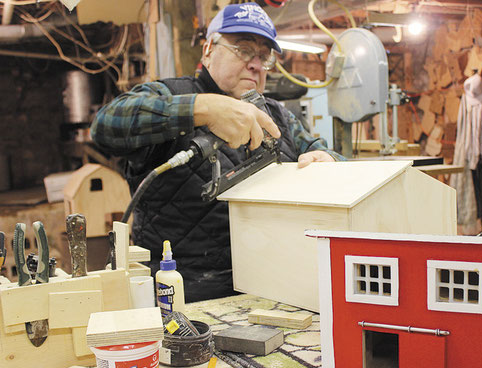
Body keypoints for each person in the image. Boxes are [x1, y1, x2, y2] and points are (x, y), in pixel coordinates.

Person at [90, 2, 342, 302]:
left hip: (273, 290)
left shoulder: (279, 117)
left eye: (264, 56)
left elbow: (327, 156)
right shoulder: (171, 96)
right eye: (244, 49)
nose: (256, 64)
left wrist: (329, 164)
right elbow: (105, 125)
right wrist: (203, 108)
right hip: (183, 295)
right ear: (208, 48)